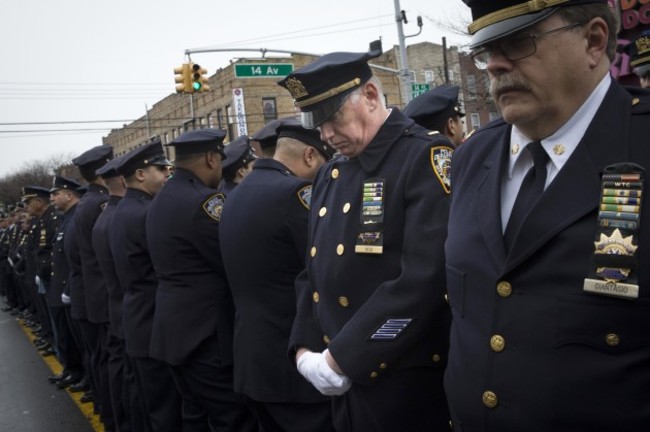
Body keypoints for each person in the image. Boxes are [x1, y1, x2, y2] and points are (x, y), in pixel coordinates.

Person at [445, 1, 650, 430]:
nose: (496, 65)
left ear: (593, 41)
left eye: (519, 42)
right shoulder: (472, 157)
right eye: (487, 50)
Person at [277, 42, 454, 431]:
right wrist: (305, 350)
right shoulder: (330, 173)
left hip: (403, 381)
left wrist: (343, 357)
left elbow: (424, 278)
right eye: (316, 123)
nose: (325, 134)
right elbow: (313, 270)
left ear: (371, 95)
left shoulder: (423, 157)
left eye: (332, 117)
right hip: (344, 382)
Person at [219, 119, 336, 432]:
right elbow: (321, 269)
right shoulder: (296, 193)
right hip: (292, 367)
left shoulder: (235, 197)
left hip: (252, 361)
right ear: (310, 156)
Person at [146, 129, 257, 431]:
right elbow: (232, 262)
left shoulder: (160, 199)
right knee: (233, 418)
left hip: (175, 333)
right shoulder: (205, 202)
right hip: (206, 338)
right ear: (210, 158)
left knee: (195, 416)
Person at [109, 140, 190, 432]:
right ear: (141, 175)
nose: (166, 175)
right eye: (160, 169)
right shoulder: (145, 213)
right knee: (168, 412)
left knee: (155, 407)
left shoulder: (122, 210)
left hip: (138, 321)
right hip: (154, 323)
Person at [72, 144, 115, 430]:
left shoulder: (86, 202)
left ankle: (104, 409)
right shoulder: (100, 204)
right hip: (103, 295)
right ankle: (110, 414)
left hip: (92, 294)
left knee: (100, 359)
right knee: (107, 361)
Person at [48, 176, 85, 389]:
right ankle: (73, 371)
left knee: (79, 341)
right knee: (67, 336)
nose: (52, 197)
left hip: (72, 289)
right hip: (63, 287)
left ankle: (83, 374)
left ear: (69, 195)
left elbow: (77, 260)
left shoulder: (75, 218)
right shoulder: (65, 219)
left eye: (56, 193)